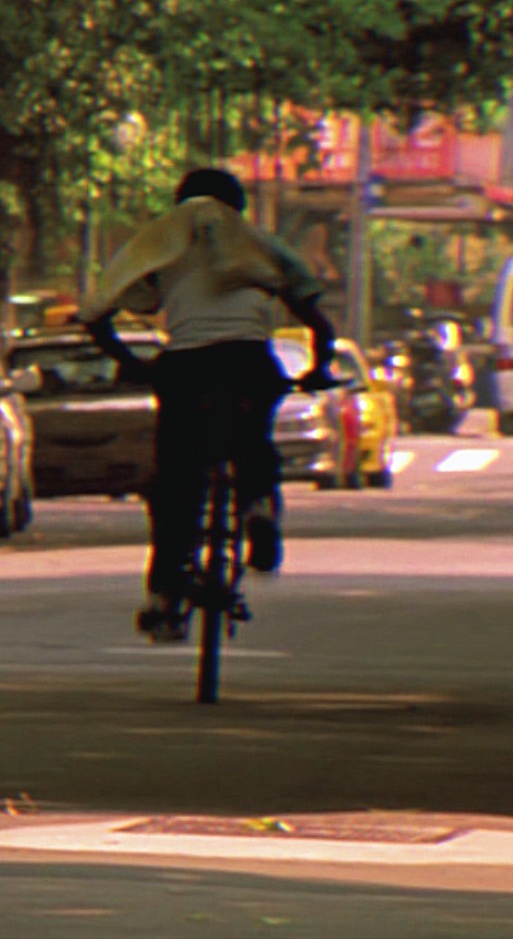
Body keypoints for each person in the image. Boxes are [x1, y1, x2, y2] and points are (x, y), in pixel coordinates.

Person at [80, 168, 337, 643]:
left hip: (186, 368)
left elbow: (96, 315)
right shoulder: (262, 246)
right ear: (239, 208)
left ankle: (163, 597)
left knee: (176, 480)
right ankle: (258, 504)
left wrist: (130, 362)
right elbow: (320, 323)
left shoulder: (160, 248)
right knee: (253, 440)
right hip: (248, 362)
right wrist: (318, 370)